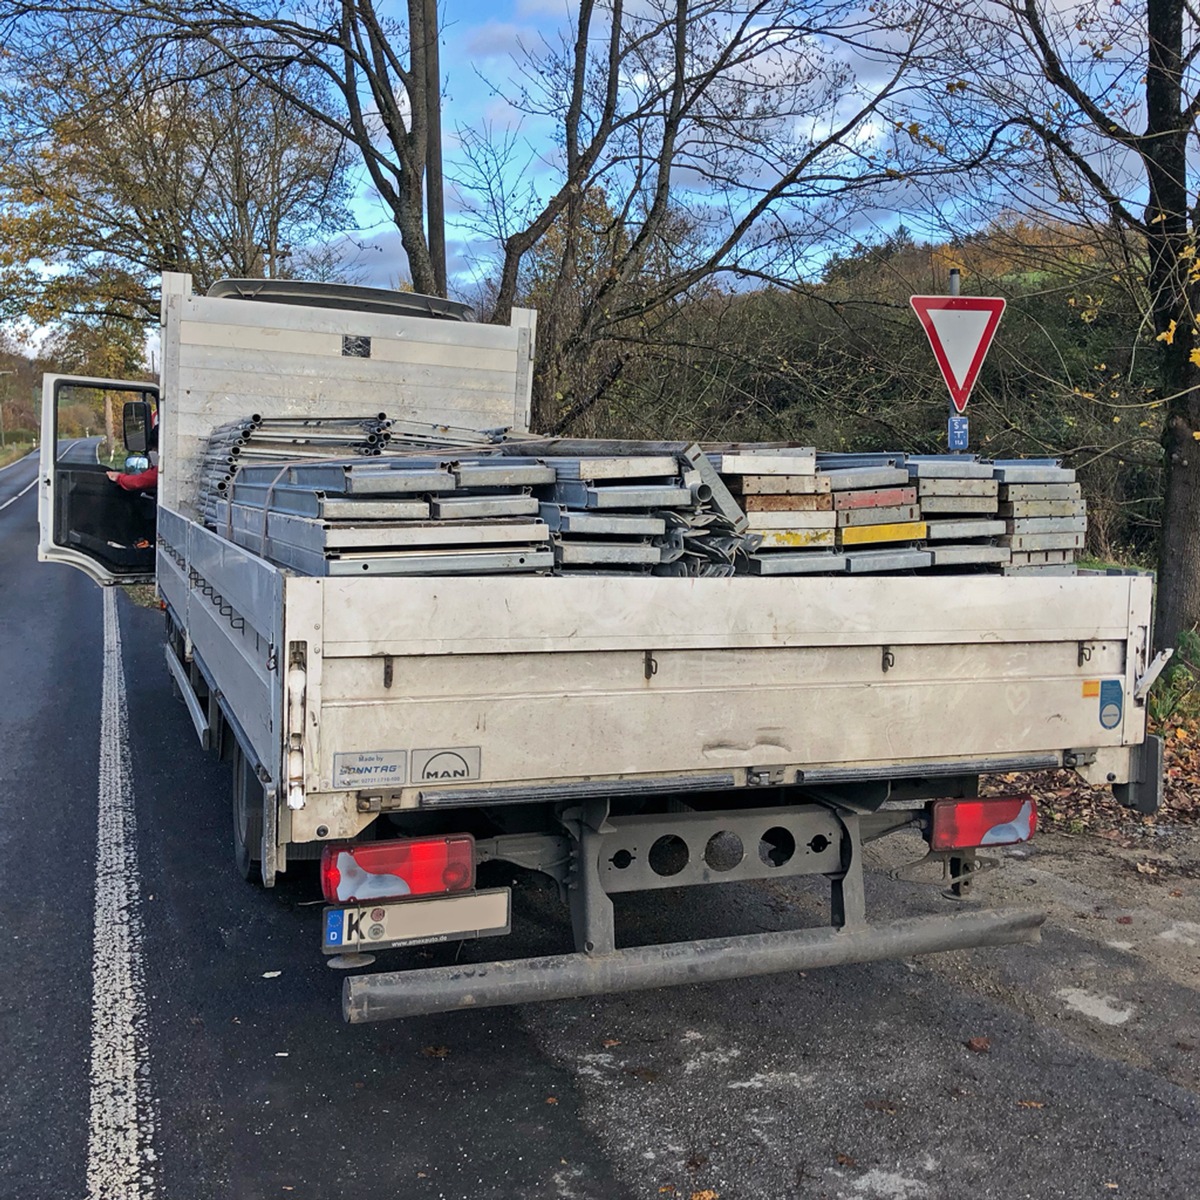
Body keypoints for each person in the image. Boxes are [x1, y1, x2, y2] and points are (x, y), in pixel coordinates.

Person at [107, 423, 159, 491]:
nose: (158, 455)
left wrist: (119, 478)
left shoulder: (167, 468)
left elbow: (139, 481)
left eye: (157, 451)